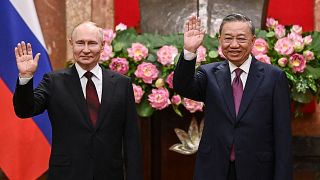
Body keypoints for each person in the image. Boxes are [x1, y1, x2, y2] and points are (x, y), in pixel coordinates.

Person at [13, 22, 143, 180]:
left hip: (110, 174)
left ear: (102, 46)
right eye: (80, 43)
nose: (86, 50)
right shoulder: (53, 82)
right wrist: (26, 77)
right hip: (67, 174)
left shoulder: (122, 84)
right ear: (71, 44)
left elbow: (132, 140)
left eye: (92, 43)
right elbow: (24, 110)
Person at [173, 14, 292, 180]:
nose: (234, 45)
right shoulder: (208, 74)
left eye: (241, 38)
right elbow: (182, 86)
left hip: (258, 170)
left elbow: (282, 134)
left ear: (253, 40)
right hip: (214, 169)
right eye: (228, 38)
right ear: (220, 40)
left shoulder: (274, 77)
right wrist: (189, 51)